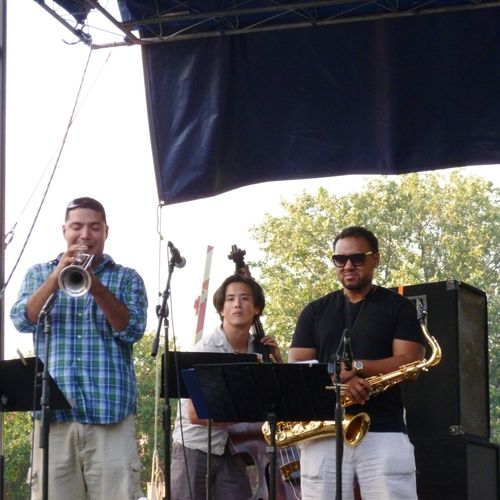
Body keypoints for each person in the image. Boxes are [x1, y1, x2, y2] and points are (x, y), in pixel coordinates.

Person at [10, 197, 148, 500]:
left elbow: (133, 330)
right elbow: (21, 320)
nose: (85, 235)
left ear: (106, 232)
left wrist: (95, 285)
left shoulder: (127, 277)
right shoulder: (38, 273)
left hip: (110, 416)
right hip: (53, 420)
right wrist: (55, 277)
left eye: (94, 227)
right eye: (77, 227)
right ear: (65, 231)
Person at [289, 226, 425, 500]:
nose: (348, 265)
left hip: (383, 428)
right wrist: (341, 382)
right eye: (340, 259)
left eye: (357, 258)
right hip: (324, 430)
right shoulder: (314, 310)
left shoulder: (399, 307)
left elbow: (411, 363)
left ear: (375, 259)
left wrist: (357, 368)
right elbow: (298, 366)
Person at [170, 274, 282, 500]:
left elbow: (279, 399)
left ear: (257, 308)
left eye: (245, 298)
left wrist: (277, 361)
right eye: (230, 299)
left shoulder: (260, 351)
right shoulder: (205, 350)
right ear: (221, 309)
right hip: (195, 448)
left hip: (235, 447)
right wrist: (250, 413)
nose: (237, 304)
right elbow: (196, 415)